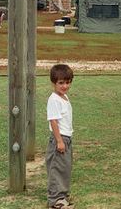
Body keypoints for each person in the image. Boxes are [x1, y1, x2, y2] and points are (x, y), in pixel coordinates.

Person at [46, 64, 75, 209]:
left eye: (68, 82)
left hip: (66, 138)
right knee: (56, 168)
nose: (65, 86)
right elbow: (54, 121)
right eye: (61, 83)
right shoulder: (54, 99)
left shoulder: (64, 97)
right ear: (54, 83)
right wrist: (59, 141)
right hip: (60, 139)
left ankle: (62, 195)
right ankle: (55, 200)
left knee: (65, 168)